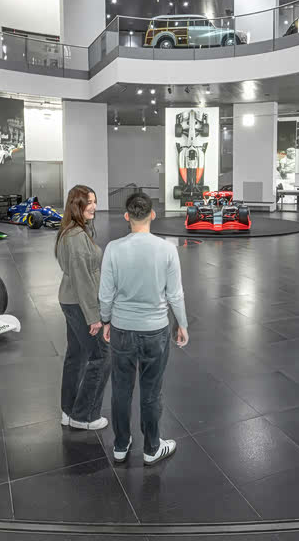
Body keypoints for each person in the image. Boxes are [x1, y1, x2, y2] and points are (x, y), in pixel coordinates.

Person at [100, 192, 189, 465]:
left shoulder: (113, 248)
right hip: (155, 331)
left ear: (127, 216)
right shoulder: (167, 249)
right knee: (151, 392)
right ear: (152, 214)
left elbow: (106, 293)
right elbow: (175, 294)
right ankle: (152, 448)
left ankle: (120, 444)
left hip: (121, 329)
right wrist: (182, 324)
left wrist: (106, 320)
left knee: (120, 390)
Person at [56, 185, 110, 430]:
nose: (94, 207)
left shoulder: (72, 231)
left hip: (71, 299)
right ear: (76, 205)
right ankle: (84, 416)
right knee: (102, 356)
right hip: (79, 304)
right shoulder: (76, 236)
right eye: (89, 202)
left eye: (95, 202)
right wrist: (93, 317)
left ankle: (69, 411)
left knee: (76, 355)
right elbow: (82, 278)